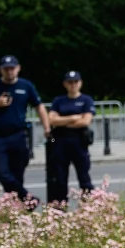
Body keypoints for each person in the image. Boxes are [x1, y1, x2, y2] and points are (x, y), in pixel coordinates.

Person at [0, 55, 50, 206]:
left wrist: (47, 128)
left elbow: (39, 106)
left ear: (18, 68)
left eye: (12, 68)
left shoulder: (26, 86)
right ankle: (27, 198)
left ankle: (15, 210)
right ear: (1, 70)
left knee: (17, 174)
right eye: (6, 69)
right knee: (1, 171)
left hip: (18, 135)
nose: (9, 72)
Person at [47, 70, 96, 203]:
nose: (73, 85)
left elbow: (85, 121)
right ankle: (61, 208)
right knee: (60, 178)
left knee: (84, 177)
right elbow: (51, 120)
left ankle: (89, 206)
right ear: (65, 84)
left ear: (80, 83)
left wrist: (62, 122)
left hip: (79, 142)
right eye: (70, 82)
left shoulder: (86, 100)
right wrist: (73, 118)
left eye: (75, 82)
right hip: (61, 143)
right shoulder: (59, 101)